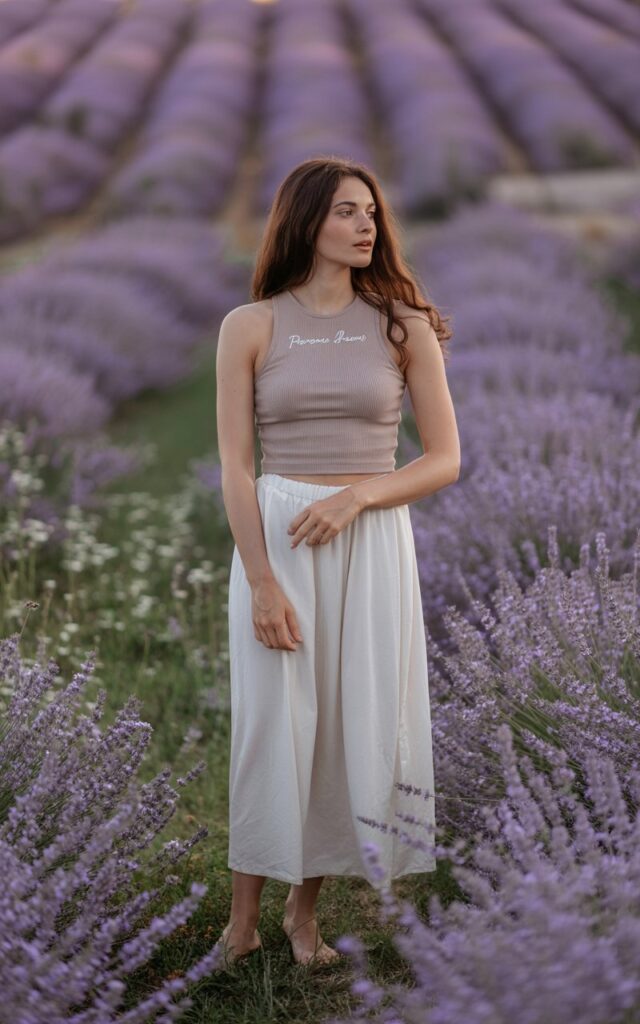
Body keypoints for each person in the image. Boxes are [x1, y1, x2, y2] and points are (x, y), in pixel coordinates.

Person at [214, 156, 460, 970]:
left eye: (373, 214)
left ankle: (302, 915)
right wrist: (258, 578)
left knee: (348, 723)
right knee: (269, 725)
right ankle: (241, 922)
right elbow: (236, 467)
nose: (367, 227)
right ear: (307, 220)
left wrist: (359, 497)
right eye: (348, 212)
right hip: (280, 539)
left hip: (371, 538)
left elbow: (444, 459)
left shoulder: (401, 323)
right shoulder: (250, 325)